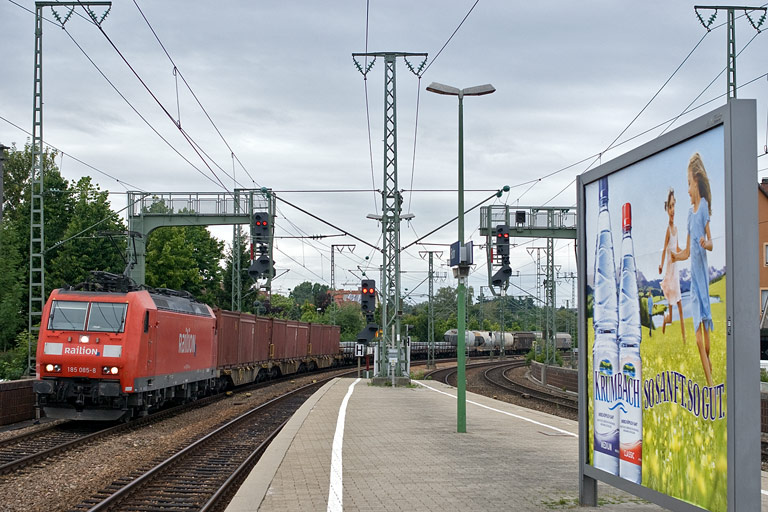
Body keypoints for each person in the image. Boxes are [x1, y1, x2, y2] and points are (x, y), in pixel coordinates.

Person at [672, 153, 713, 386]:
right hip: (694, 287)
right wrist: (675, 256)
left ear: (696, 180)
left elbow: (711, 241)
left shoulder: (704, 207)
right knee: (699, 341)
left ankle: (712, 376)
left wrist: (706, 244)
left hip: (702, 280)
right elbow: (686, 252)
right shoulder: (688, 214)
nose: (687, 189)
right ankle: (710, 384)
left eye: (688, 183)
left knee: (706, 342)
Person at [658, 188, 686, 344]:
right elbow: (664, 249)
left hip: (676, 272)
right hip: (670, 273)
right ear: (667, 209)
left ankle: (684, 341)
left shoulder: (677, 229)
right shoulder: (668, 230)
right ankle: (665, 320)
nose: (673, 209)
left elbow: (678, 248)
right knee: (672, 316)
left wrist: (687, 252)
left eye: (674, 205)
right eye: (670, 206)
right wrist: (661, 264)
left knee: (680, 307)